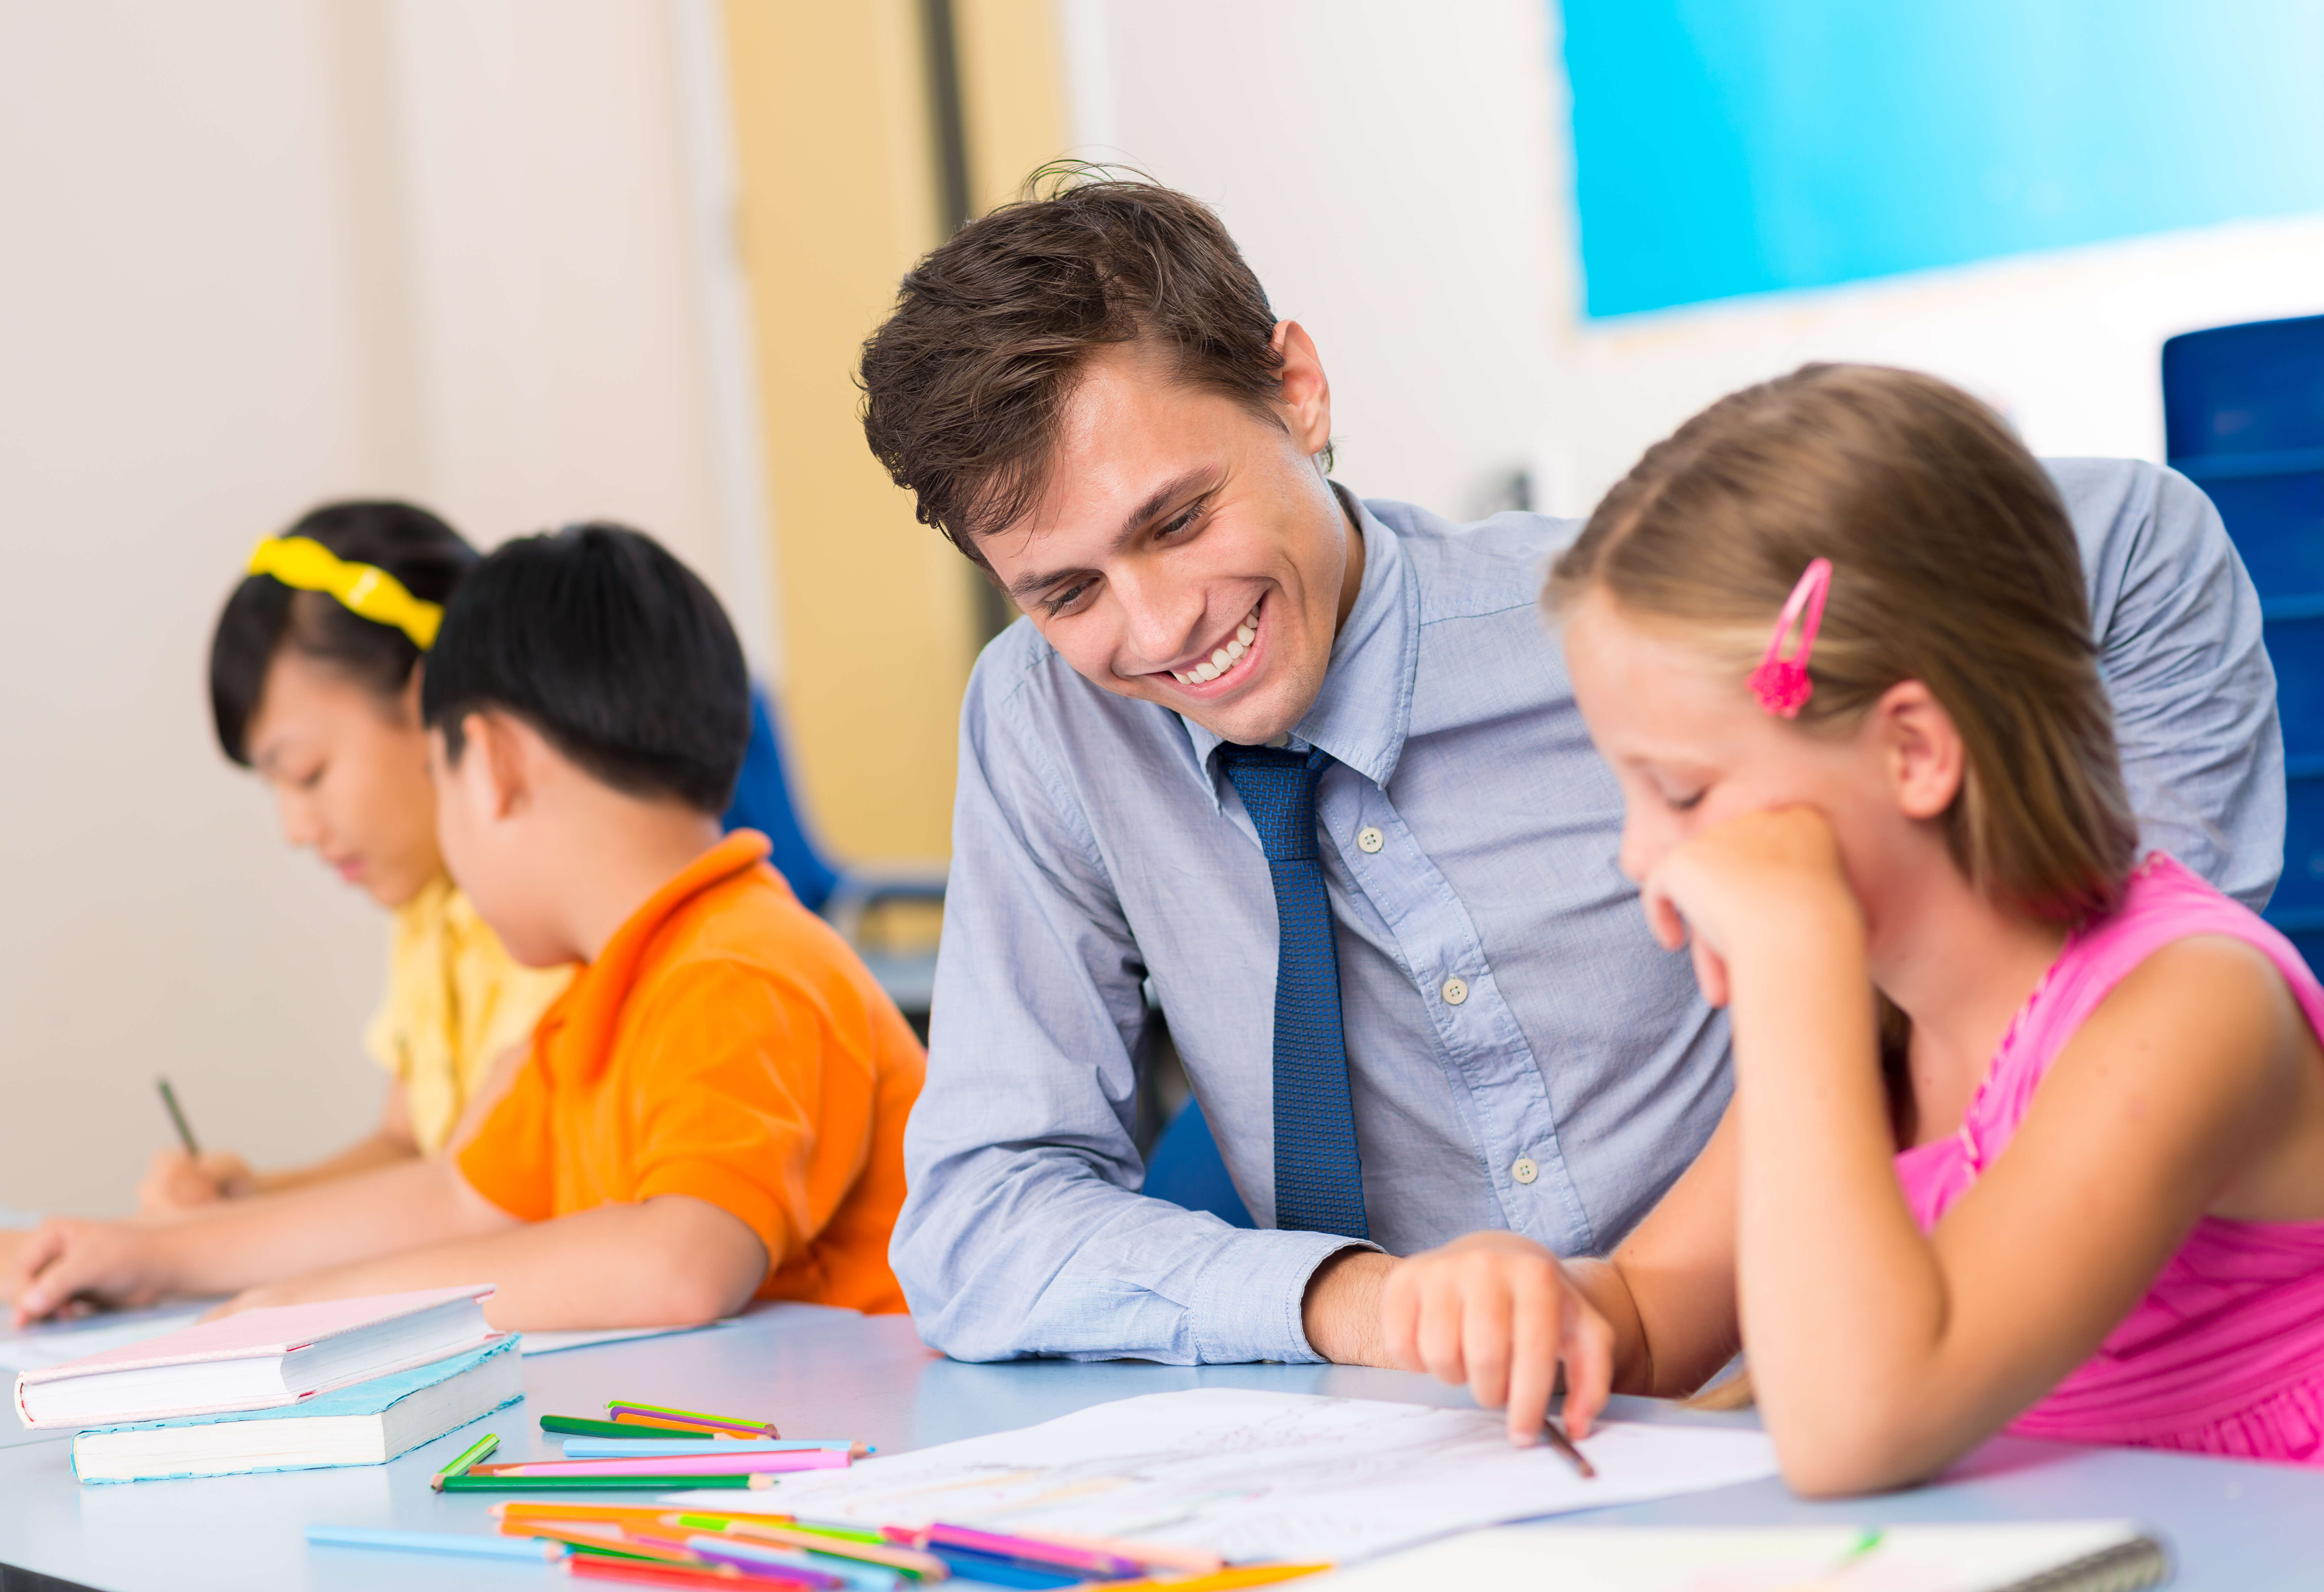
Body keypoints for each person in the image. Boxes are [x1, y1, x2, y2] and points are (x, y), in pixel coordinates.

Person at [857, 171, 2284, 1367]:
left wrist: (2076, 1031)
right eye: (1065, 591)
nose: (1159, 627)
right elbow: (983, 1215)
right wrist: (1347, 1302)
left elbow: (2140, 546)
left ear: (1295, 391)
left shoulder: (1625, 625)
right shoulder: (1052, 718)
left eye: (1177, 520)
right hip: (1497, 1434)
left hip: (1832, 1355)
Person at [1386, 364, 2324, 1489]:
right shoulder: (1886, 1028)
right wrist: (1536, 1298)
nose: (1639, 854)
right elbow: (1649, 1321)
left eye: (1681, 792)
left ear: (1913, 753)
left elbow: (1856, 1430)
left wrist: (1794, 966)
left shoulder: (2191, 1008)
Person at [0, 525, 924, 1329]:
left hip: (903, 1469)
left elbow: (678, 1263)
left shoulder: (742, 967)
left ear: (489, 764)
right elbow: (454, 1199)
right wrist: (158, 1259)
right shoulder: (599, 1005)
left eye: (436, 781)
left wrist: (318, 1309)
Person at [164, 501, 570, 1211]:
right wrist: (248, 1202)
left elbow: (472, 1196)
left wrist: (195, 1247)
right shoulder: (428, 907)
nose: (294, 826)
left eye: (308, 773)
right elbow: (410, 1144)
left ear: (429, 700)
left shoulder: (554, 912)